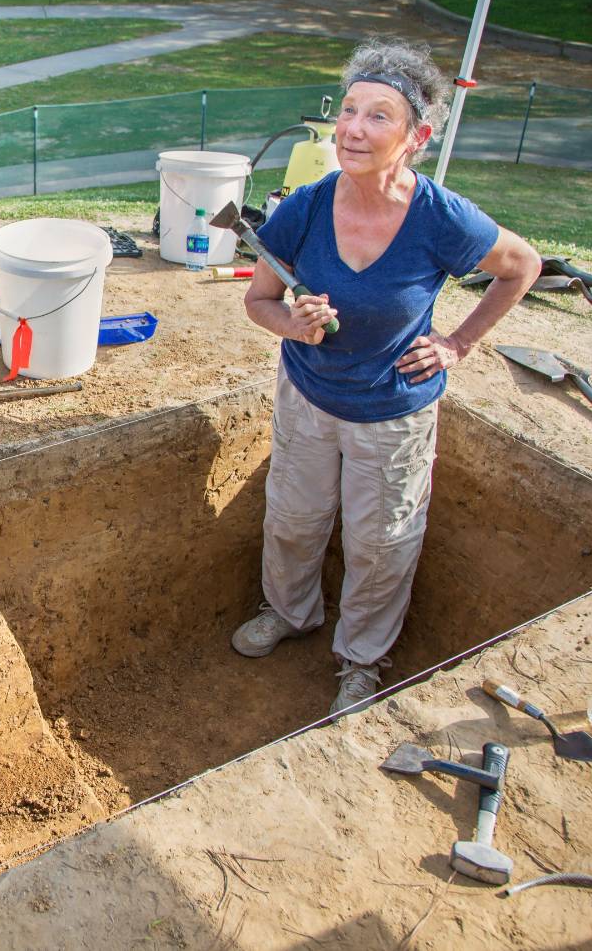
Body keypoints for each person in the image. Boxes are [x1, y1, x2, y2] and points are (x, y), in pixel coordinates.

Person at [231, 39, 541, 718]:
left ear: (416, 136)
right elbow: (258, 300)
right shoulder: (305, 207)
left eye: (377, 116)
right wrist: (292, 324)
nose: (353, 129)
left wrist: (458, 341)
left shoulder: (439, 217)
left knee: (380, 543)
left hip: (392, 413)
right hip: (309, 400)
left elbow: (523, 265)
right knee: (293, 518)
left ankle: (361, 661)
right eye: (348, 111)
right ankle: (291, 612)